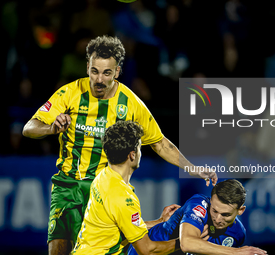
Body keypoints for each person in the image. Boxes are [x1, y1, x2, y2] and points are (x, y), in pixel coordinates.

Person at [22, 35, 217, 255]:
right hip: (67, 186)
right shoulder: (70, 93)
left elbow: (159, 142)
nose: (99, 79)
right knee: (59, 250)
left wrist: (193, 168)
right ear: (87, 67)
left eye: (106, 73)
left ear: (117, 72)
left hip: (102, 190)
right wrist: (51, 128)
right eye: (94, 71)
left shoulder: (130, 103)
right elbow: (29, 128)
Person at [72, 120, 181, 254]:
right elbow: (147, 250)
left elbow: (121, 224)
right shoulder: (122, 197)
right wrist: (183, 242)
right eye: (140, 148)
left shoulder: (104, 176)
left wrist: (160, 221)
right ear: (132, 155)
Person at [128, 179, 267, 255]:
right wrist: (235, 252)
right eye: (215, 211)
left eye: (226, 215)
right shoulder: (198, 204)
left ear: (240, 210)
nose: (218, 219)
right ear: (210, 201)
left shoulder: (238, 234)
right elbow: (187, 243)